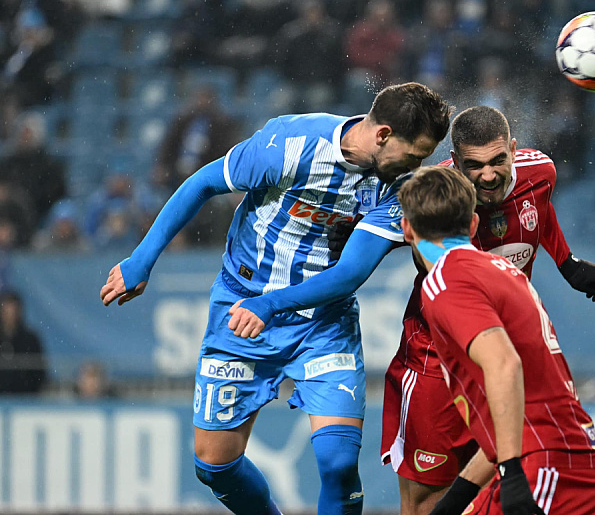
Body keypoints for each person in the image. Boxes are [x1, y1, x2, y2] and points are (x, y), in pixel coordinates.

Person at [230, 106, 595, 514]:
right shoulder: (435, 199)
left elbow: (537, 205)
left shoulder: (528, 186)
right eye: (474, 167)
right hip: (437, 363)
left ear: (514, 152)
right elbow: (354, 264)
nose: (487, 176)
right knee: (430, 499)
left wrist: (567, 262)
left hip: (505, 381)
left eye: (498, 161)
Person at [100, 82, 452, 515]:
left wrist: (271, 305)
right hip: (239, 306)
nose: (418, 165)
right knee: (214, 463)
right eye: (415, 154)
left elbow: (349, 275)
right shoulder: (289, 143)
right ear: (382, 135)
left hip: (323, 321)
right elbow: (204, 182)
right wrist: (141, 260)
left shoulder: (399, 186)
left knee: (338, 463)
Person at [396, 165, 595, 515]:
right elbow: (514, 409)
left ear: (406, 229)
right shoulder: (504, 271)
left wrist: (511, 474)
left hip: (543, 463)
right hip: (562, 455)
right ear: (473, 226)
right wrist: (455, 499)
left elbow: (504, 364)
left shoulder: (446, 282)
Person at [0, 290, 47, 394]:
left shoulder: (30, 340)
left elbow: (39, 372)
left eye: (13, 310)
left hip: (24, 400)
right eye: (6, 310)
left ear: (19, 311)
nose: (10, 315)